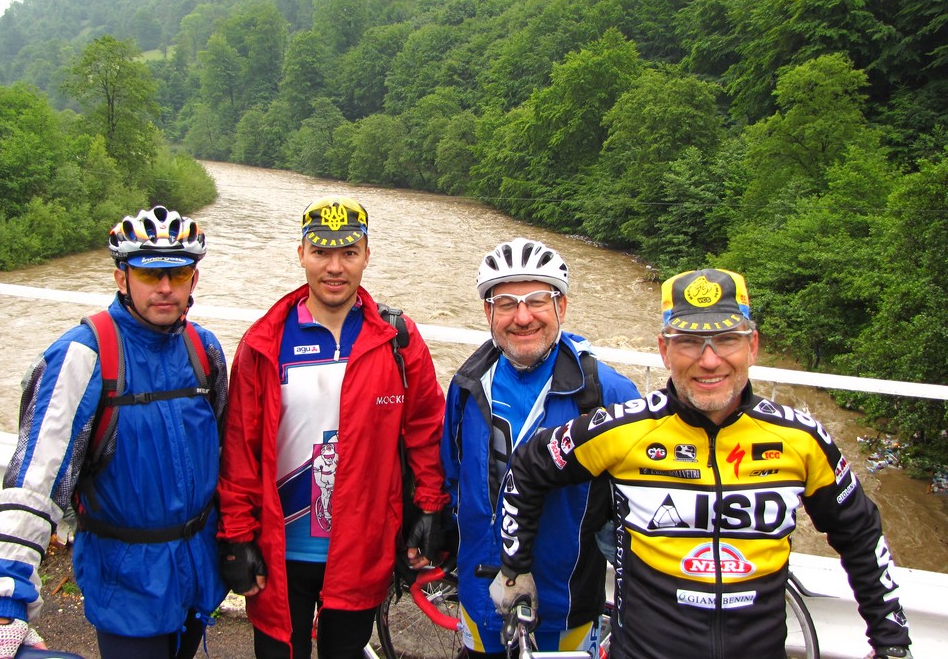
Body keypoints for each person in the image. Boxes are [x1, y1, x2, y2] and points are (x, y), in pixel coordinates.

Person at [491, 268, 913, 659]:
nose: (709, 360)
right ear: (664, 350)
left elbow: (860, 533)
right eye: (689, 342)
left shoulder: (801, 439)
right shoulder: (622, 429)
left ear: (752, 346)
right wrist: (515, 569)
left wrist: (891, 642)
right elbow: (527, 468)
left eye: (727, 339)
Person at [0, 205, 229, 659]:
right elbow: (36, 478)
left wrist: (235, 544)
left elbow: (219, 453)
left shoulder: (204, 349)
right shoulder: (82, 355)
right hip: (126, 583)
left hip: (197, 574)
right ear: (122, 278)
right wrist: (4, 599)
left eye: (178, 274)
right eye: (148, 273)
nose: (164, 288)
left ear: (193, 279)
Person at [216, 195, 449, 659]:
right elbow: (241, 449)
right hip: (280, 553)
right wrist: (237, 535)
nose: (335, 267)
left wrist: (430, 508)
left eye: (348, 252)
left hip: (362, 548)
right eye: (321, 252)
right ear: (301, 254)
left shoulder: (397, 340)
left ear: (366, 255)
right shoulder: (265, 341)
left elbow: (425, 429)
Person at [443, 237, 640, 657]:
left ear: (561, 307)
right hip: (480, 597)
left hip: (563, 606)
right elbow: (454, 480)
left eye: (536, 300)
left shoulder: (607, 393)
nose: (523, 317)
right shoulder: (467, 385)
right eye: (506, 304)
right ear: (488, 313)